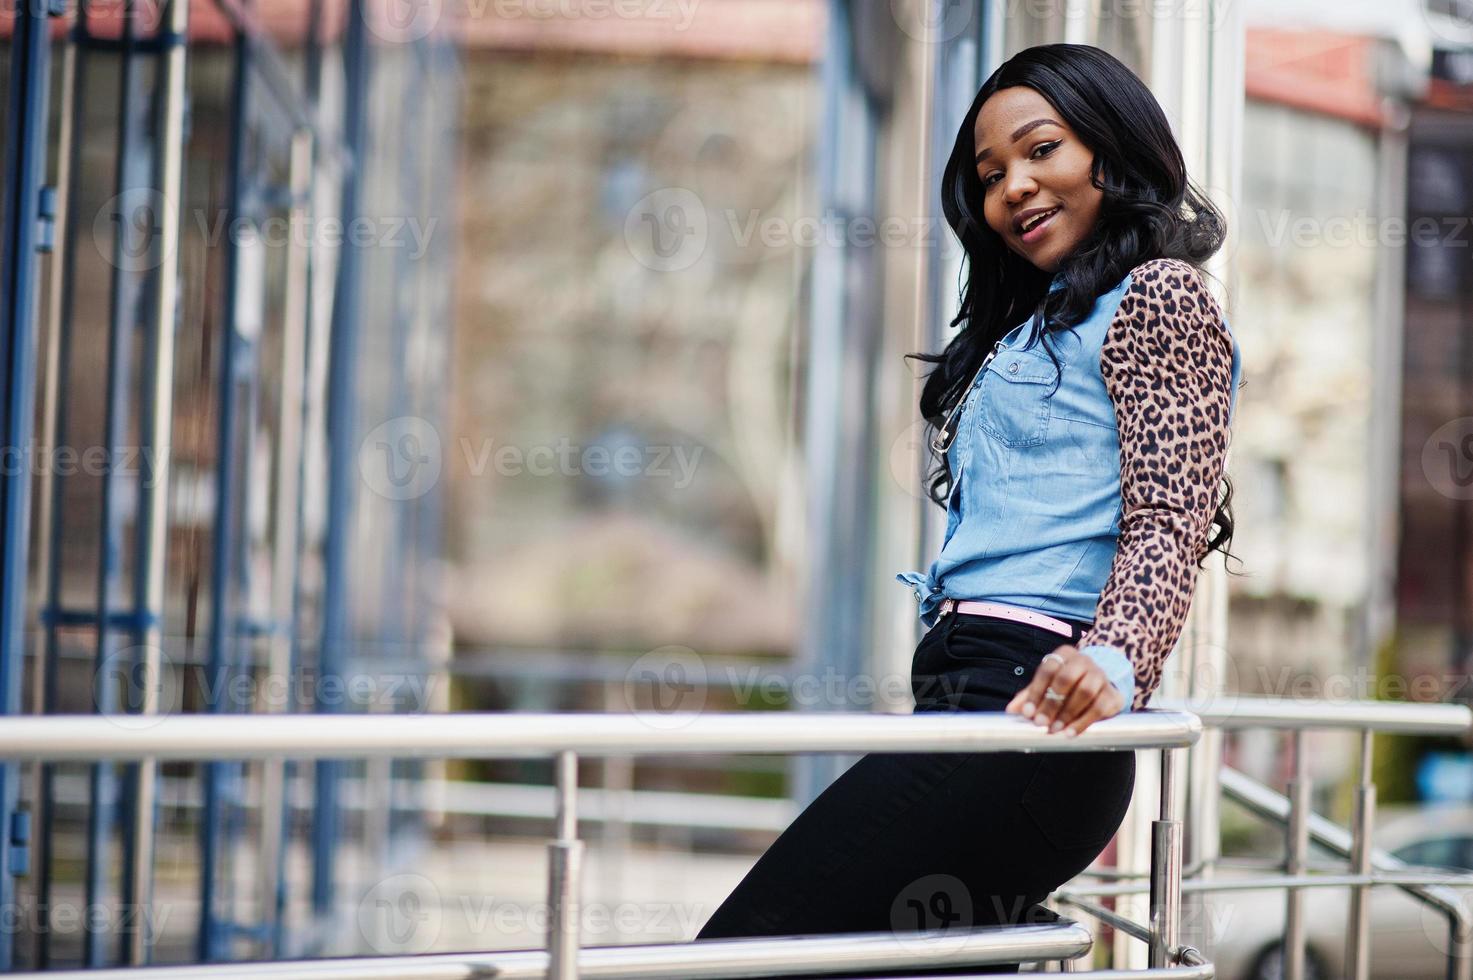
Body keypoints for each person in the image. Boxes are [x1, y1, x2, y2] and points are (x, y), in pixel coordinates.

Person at [693, 43, 1244, 976]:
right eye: (990, 176)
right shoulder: (1041, 321)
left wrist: (1109, 660)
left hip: (1033, 711)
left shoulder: (1158, 293)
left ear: (1109, 151)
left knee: (741, 953)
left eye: (1041, 151)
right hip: (965, 698)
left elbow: (1169, 514)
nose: (1014, 188)